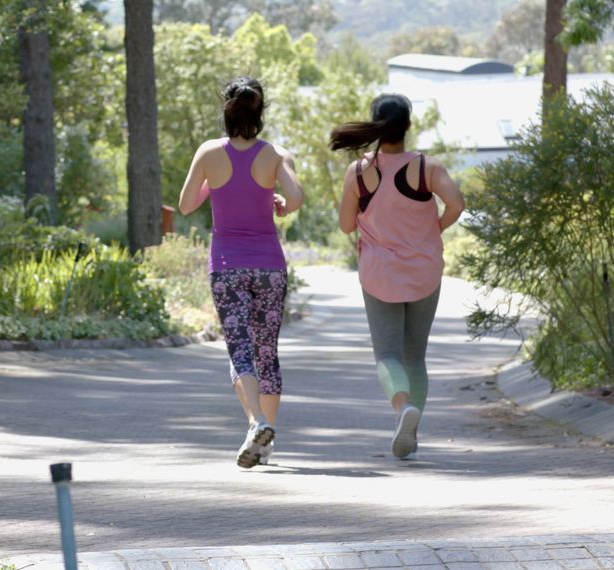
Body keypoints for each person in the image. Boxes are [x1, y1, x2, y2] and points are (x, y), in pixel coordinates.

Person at [178, 77, 304, 469]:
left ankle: (256, 423)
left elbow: (184, 205)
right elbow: (297, 198)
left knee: (240, 350)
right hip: (269, 266)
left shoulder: (209, 152)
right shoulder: (275, 155)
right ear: (259, 111)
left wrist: (212, 189)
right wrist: (280, 202)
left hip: (228, 267)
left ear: (226, 110)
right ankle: (265, 444)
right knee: (267, 351)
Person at [330, 93, 464, 460]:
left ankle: (402, 409)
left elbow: (344, 225)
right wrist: (432, 229)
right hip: (424, 270)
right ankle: (412, 431)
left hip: (379, 274)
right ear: (407, 127)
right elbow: (458, 204)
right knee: (415, 355)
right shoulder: (428, 167)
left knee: (387, 354)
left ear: (375, 125)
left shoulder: (359, 171)